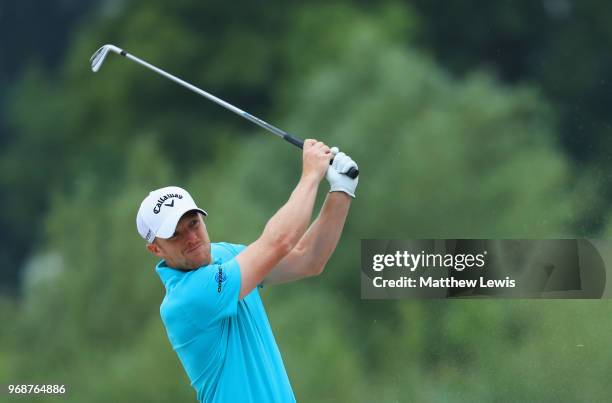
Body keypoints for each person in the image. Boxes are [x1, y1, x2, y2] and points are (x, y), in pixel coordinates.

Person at [135, 139, 358, 403]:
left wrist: (342, 189)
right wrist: (311, 176)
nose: (191, 238)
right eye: (175, 235)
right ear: (156, 250)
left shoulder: (223, 256)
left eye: (193, 224)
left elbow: (307, 259)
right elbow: (279, 241)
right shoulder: (186, 299)